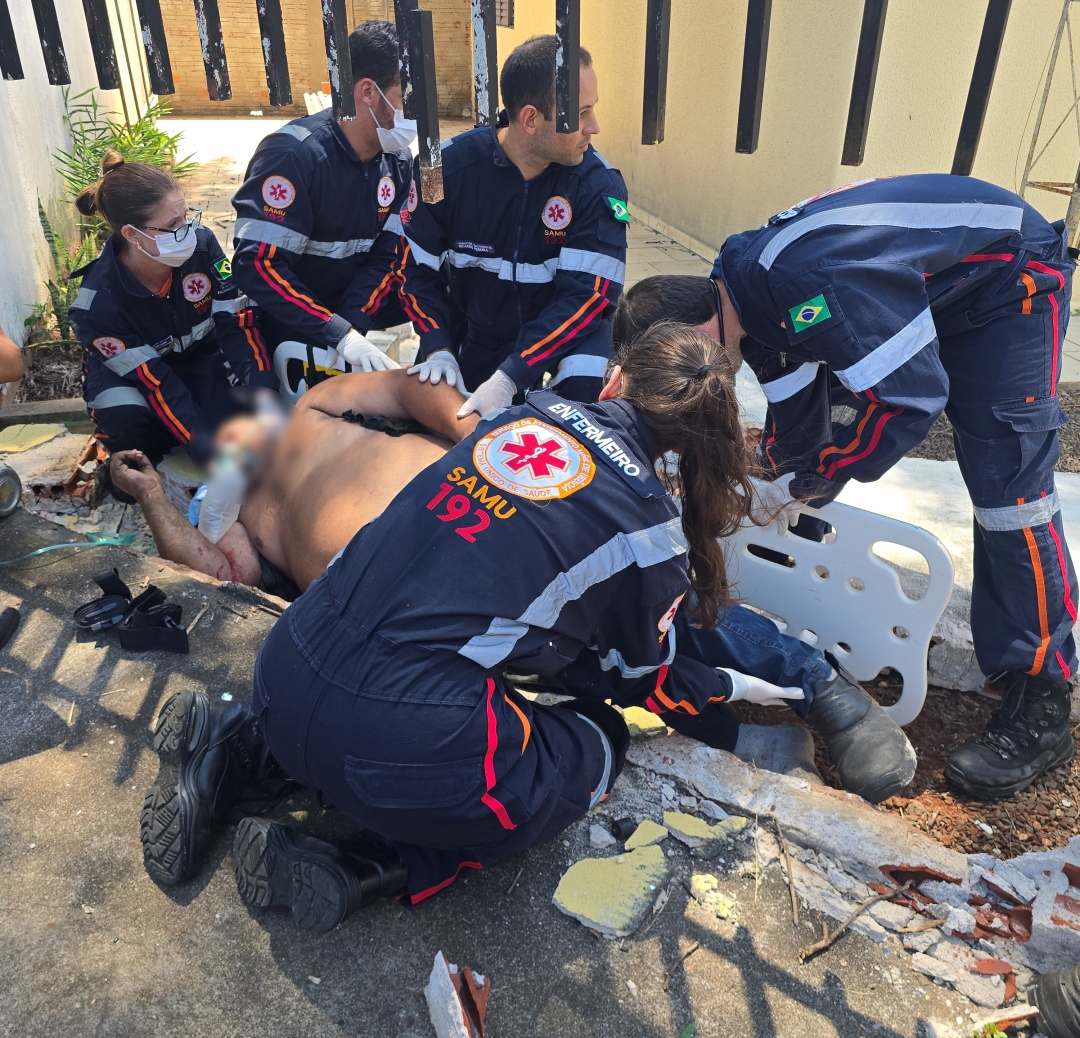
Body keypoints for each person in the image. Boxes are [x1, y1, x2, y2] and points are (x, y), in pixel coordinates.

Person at [138, 325, 913, 926]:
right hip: (389, 735)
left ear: (613, 377)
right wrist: (718, 713)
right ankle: (372, 860)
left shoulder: (510, 423)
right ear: (697, 445)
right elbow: (651, 675)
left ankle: (239, 754)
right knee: (594, 739)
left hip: (283, 670)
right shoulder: (649, 531)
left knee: (407, 691)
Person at [614, 174, 1078, 801]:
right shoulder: (744, 298)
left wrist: (823, 475)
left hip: (1007, 281)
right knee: (812, 458)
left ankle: (1042, 697)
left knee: (1010, 494)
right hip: (946, 286)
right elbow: (798, 418)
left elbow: (908, 400)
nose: (699, 389)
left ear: (695, 332)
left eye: (689, 373)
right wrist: (789, 477)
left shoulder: (803, 283)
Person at [398, 35, 629, 414]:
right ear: (530, 119)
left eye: (593, 109)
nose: (595, 127)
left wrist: (513, 374)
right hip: (477, 332)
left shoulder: (598, 186)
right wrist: (437, 346)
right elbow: (412, 269)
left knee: (585, 390)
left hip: (565, 341)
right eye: (582, 113)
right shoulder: (442, 170)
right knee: (446, 420)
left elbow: (587, 298)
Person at [110, 369, 480, 602]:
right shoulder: (227, 508)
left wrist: (482, 440)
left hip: (483, 491)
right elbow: (220, 578)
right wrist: (151, 495)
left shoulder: (315, 406)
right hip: (420, 596)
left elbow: (404, 387)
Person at [71, 152, 278, 476]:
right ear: (132, 234)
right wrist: (206, 451)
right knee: (124, 415)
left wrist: (264, 391)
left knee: (243, 424)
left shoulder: (202, 246)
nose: (188, 231)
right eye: (172, 225)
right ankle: (130, 471)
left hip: (197, 358)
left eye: (185, 216)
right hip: (136, 377)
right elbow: (153, 381)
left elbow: (236, 322)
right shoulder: (99, 306)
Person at [231, 20, 413, 375]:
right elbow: (257, 265)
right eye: (409, 98)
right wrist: (336, 333)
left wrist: (351, 327)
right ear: (368, 92)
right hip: (287, 317)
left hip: (347, 312)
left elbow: (388, 256)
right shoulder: (293, 158)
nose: (420, 113)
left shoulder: (398, 162)